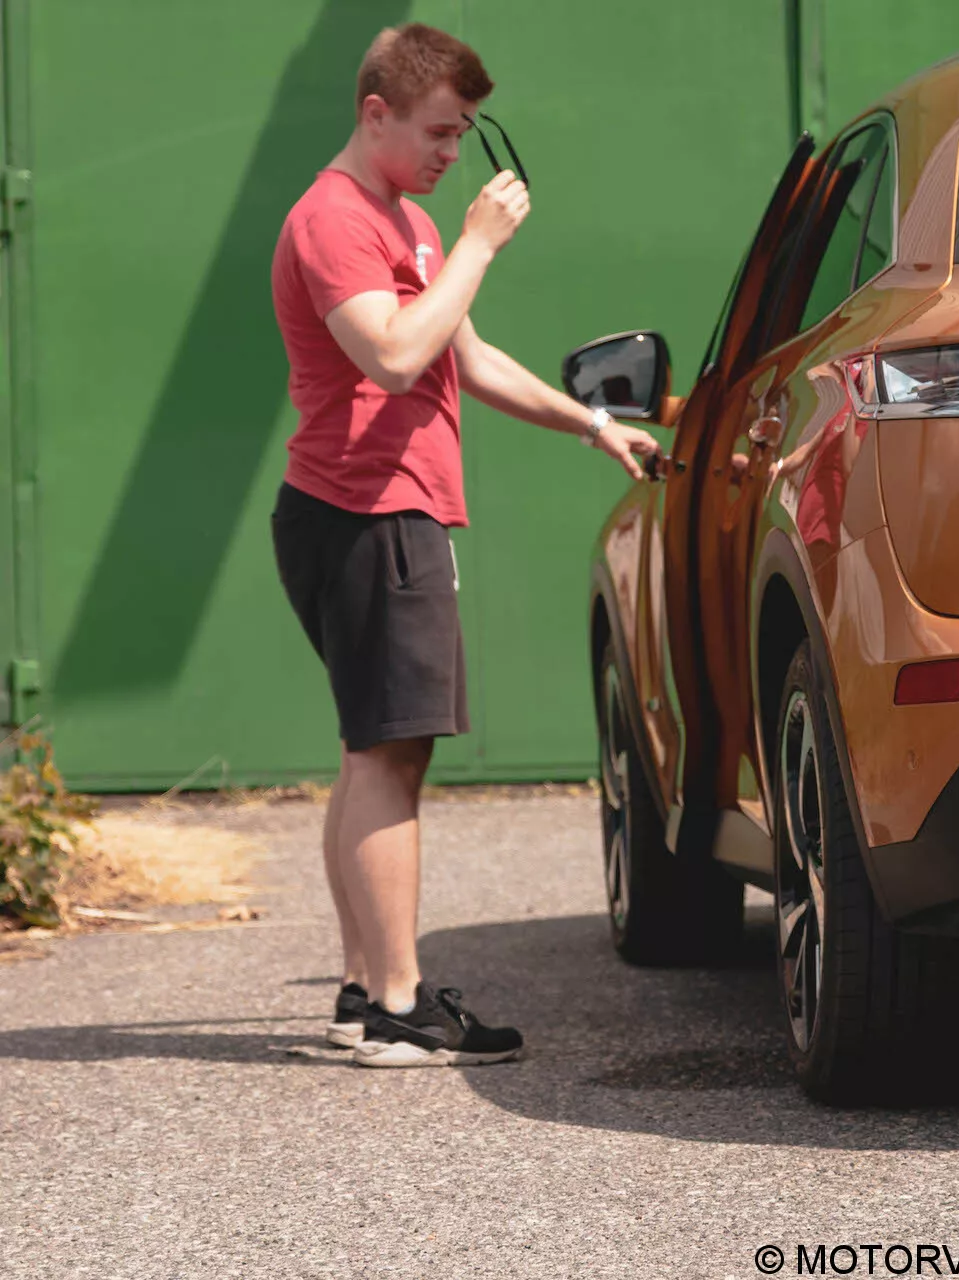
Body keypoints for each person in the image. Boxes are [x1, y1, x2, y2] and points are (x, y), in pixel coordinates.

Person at [269, 23, 657, 1067]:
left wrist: (594, 424)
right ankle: (400, 1004)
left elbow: (465, 358)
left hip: (378, 512)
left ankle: (364, 991)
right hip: (367, 512)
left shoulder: (408, 221)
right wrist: (480, 243)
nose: (454, 153)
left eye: (466, 133)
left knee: (373, 752)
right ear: (376, 114)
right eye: (441, 131)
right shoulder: (334, 220)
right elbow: (396, 356)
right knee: (389, 755)